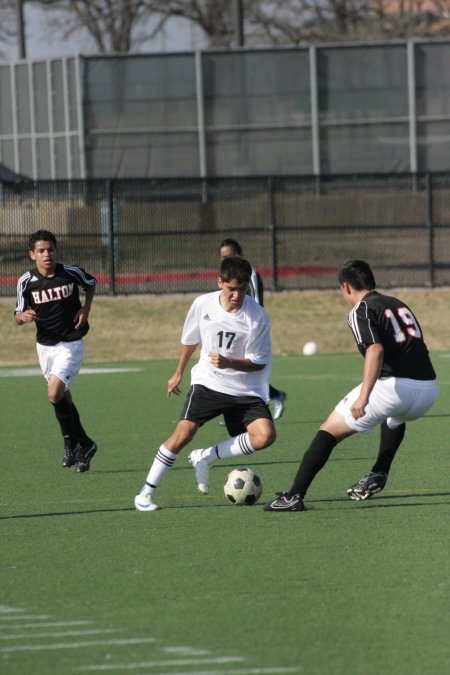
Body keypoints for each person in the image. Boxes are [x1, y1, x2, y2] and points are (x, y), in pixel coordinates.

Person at [264, 259, 439, 512]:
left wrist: (363, 398)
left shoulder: (361, 309)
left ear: (346, 287)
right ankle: (380, 471)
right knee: (394, 418)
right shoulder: (398, 304)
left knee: (328, 431)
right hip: (428, 391)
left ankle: (294, 496)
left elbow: (375, 350)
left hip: (394, 389)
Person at [134, 255, 276, 511]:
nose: (236, 295)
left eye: (242, 289)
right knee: (183, 434)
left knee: (265, 436)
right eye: (231, 289)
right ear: (219, 281)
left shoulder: (257, 318)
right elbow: (191, 339)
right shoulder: (202, 304)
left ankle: (206, 457)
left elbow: (259, 362)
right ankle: (145, 494)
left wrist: (229, 362)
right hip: (208, 383)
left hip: (245, 388)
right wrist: (178, 372)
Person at [14, 229, 97, 473]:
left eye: (50, 249)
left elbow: (90, 284)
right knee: (63, 398)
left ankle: (70, 442)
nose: (46, 254)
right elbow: (16, 315)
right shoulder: (25, 282)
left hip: (70, 343)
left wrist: (85, 310)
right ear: (32, 255)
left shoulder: (70, 273)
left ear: (55, 251)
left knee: (54, 393)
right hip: (45, 347)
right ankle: (86, 444)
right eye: (41, 251)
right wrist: (22, 317)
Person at [219, 238, 287, 420]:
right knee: (234, 369)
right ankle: (236, 412)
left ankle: (268, 402)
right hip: (233, 330)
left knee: (250, 369)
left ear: (240, 254)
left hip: (250, 330)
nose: (226, 259)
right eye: (223, 256)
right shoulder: (225, 277)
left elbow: (258, 304)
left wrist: (252, 329)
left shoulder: (251, 275)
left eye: (230, 255)